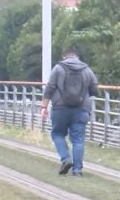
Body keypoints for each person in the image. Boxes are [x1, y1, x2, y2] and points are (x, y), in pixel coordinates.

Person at [40, 48, 99, 176]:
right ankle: (77, 170)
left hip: (60, 108)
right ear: (77, 56)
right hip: (81, 108)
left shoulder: (58, 68)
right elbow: (94, 89)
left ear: (64, 56)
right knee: (78, 140)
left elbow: (50, 88)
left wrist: (44, 107)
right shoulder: (87, 69)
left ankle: (66, 159)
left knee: (57, 134)